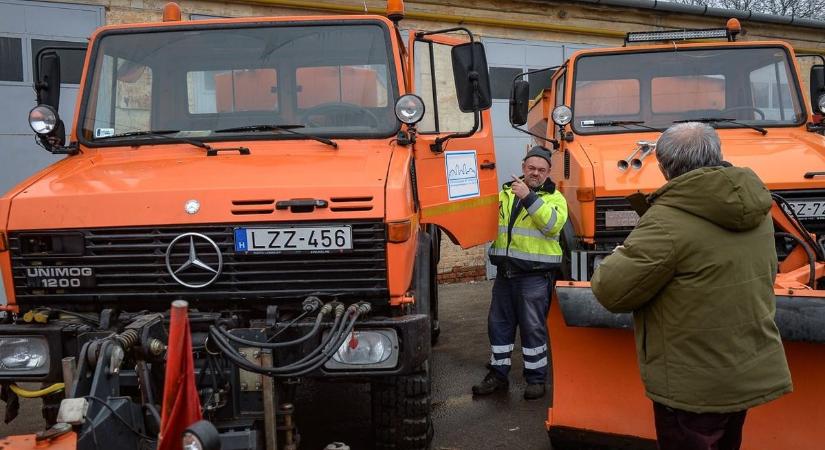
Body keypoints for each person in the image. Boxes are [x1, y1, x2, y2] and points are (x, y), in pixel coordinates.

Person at [591, 123, 792, 450]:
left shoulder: (667, 221)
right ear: (718, 155)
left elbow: (611, 290)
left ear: (664, 167)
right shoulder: (758, 209)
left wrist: (620, 257)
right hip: (742, 371)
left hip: (691, 384)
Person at [472, 146, 568, 400]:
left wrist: (528, 197)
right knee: (498, 326)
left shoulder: (554, 198)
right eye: (531, 168)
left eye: (541, 170)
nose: (535, 173)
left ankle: (536, 379)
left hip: (534, 276)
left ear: (548, 172)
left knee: (532, 328)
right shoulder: (505, 194)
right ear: (523, 167)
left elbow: (551, 226)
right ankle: (498, 374)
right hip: (506, 274)